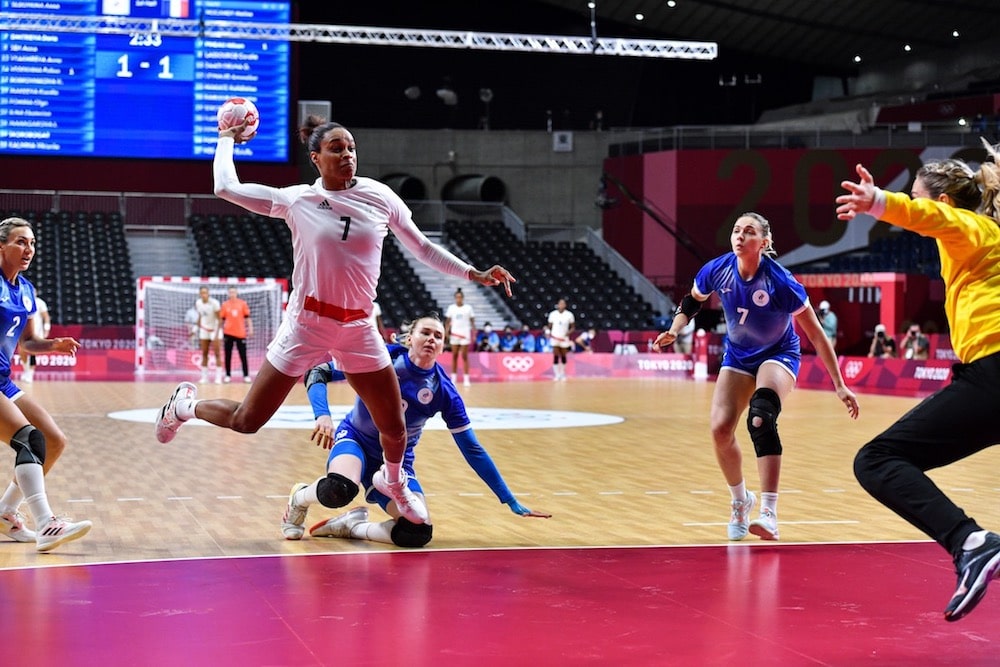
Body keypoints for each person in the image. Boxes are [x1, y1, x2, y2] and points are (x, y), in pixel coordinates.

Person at [154, 115, 515, 527]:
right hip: (306, 324)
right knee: (247, 420)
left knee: (394, 427)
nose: (347, 155)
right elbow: (225, 188)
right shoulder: (297, 200)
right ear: (316, 158)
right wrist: (224, 139)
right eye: (337, 149)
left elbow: (422, 247)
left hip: (358, 327)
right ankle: (183, 407)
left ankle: (394, 483)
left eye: (351, 148)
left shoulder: (379, 196)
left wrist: (473, 273)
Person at [837, 152, 1000, 622]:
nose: (914, 204)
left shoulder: (973, 229)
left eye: (917, 197)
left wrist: (878, 201)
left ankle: (971, 542)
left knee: (877, 460)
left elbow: (932, 217)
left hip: (994, 374)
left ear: (943, 202)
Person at [652, 212, 860, 542]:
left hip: (779, 354)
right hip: (738, 355)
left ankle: (769, 513)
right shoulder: (717, 269)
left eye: (748, 232)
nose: (740, 236)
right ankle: (740, 501)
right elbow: (692, 301)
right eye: (736, 230)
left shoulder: (781, 282)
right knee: (720, 429)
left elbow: (817, 335)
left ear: (764, 242)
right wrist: (675, 329)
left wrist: (840, 385)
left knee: (761, 416)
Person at [282, 314, 550, 546]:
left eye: (438, 336)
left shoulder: (444, 391)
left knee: (417, 532)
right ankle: (299, 498)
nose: (432, 339)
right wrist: (322, 415)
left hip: (396, 461)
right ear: (410, 338)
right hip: (357, 439)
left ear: (443, 346)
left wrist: (508, 499)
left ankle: (352, 527)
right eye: (426, 332)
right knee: (338, 489)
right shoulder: (382, 358)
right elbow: (318, 372)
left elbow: (472, 449)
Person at [0, 217, 92, 551]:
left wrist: (53, 344)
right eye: (20, 242)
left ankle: (6, 511)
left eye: (32, 243)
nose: (29, 249)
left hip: (3, 379)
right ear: (1, 246)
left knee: (53, 440)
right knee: (29, 438)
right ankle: (46, 524)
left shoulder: (26, 290)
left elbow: (27, 343)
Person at [220, 287, 253, 383]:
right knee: (227, 355)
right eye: (230, 292)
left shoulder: (242, 303)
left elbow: (247, 318)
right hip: (228, 333)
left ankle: (246, 375)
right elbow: (221, 320)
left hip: (240, 333)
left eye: (234, 292)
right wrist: (218, 331)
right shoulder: (225, 305)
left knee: (243, 355)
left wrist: (251, 329)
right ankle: (228, 375)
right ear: (228, 293)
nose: (232, 294)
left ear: (237, 293)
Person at [444, 288, 474, 386]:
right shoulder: (451, 308)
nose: (458, 299)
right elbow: (447, 321)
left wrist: (474, 333)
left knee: (464, 356)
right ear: (455, 298)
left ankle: (466, 379)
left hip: (465, 334)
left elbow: (472, 322)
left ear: (463, 298)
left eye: (460, 297)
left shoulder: (468, 308)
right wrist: (446, 331)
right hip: (454, 334)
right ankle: (454, 378)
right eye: (457, 297)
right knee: (454, 356)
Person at [195, 286, 224, 384]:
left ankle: (218, 378)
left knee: (217, 353)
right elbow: (200, 316)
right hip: (204, 330)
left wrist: (216, 334)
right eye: (202, 293)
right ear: (200, 294)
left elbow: (220, 319)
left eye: (205, 293)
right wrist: (196, 328)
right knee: (204, 353)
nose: (204, 294)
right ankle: (204, 377)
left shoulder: (214, 303)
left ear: (208, 294)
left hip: (215, 330)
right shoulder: (198, 303)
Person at [18, 293, 48, 383]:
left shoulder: (40, 303)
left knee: (32, 352)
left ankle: (30, 372)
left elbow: (46, 317)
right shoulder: (22, 301)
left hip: (37, 332)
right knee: (21, 350)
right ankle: (26, 370)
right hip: (24, 331)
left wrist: (46, 329)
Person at [548, 298, 575, 380]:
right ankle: (557, 374)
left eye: (563, 304)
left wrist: (568, 333)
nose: (561, 305)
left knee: (563, 355)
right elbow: (549, 326)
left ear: (565, 305)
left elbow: (573, 327)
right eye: (560, 303)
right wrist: (549, 332)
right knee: (556, 355)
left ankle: (562, 373)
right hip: (555, 337)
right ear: (558, 305)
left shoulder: (569, 315)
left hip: (564, 338)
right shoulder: (552, 314)